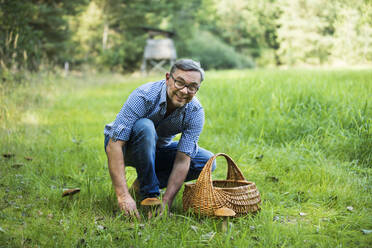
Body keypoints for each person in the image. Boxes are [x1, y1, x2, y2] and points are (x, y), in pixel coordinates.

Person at [104, 59, 215, 218]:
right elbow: (115, 144)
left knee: (207, 161)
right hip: (125, 147)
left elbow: (183, 160)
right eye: (179, 82)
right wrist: (122, 196)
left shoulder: (195, 112)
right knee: (145, 126)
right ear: (168, 78)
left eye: (192, 87)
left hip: (156, 151)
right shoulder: (144, 95)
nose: (184, 91)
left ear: (197, 88)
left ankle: (140, 187)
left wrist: (167, 202)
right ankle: (150, 194)